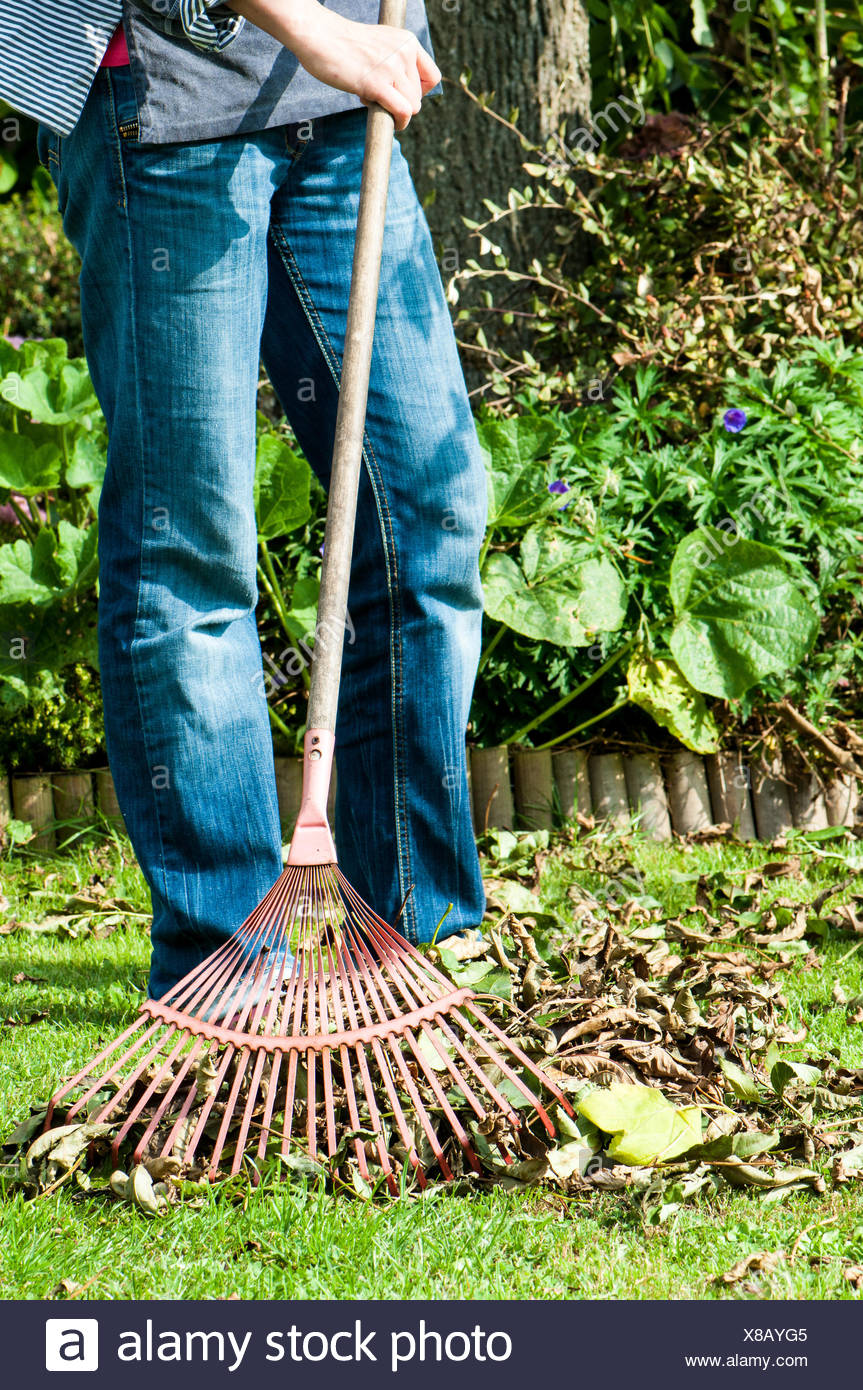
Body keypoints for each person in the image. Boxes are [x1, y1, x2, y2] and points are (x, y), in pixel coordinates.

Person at [0, 0, 488, 998]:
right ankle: (225, 966)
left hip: (350, 86)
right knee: (191, 548)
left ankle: (414, 937)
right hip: (171, 92)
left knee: (426, 511)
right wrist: (310, 26)